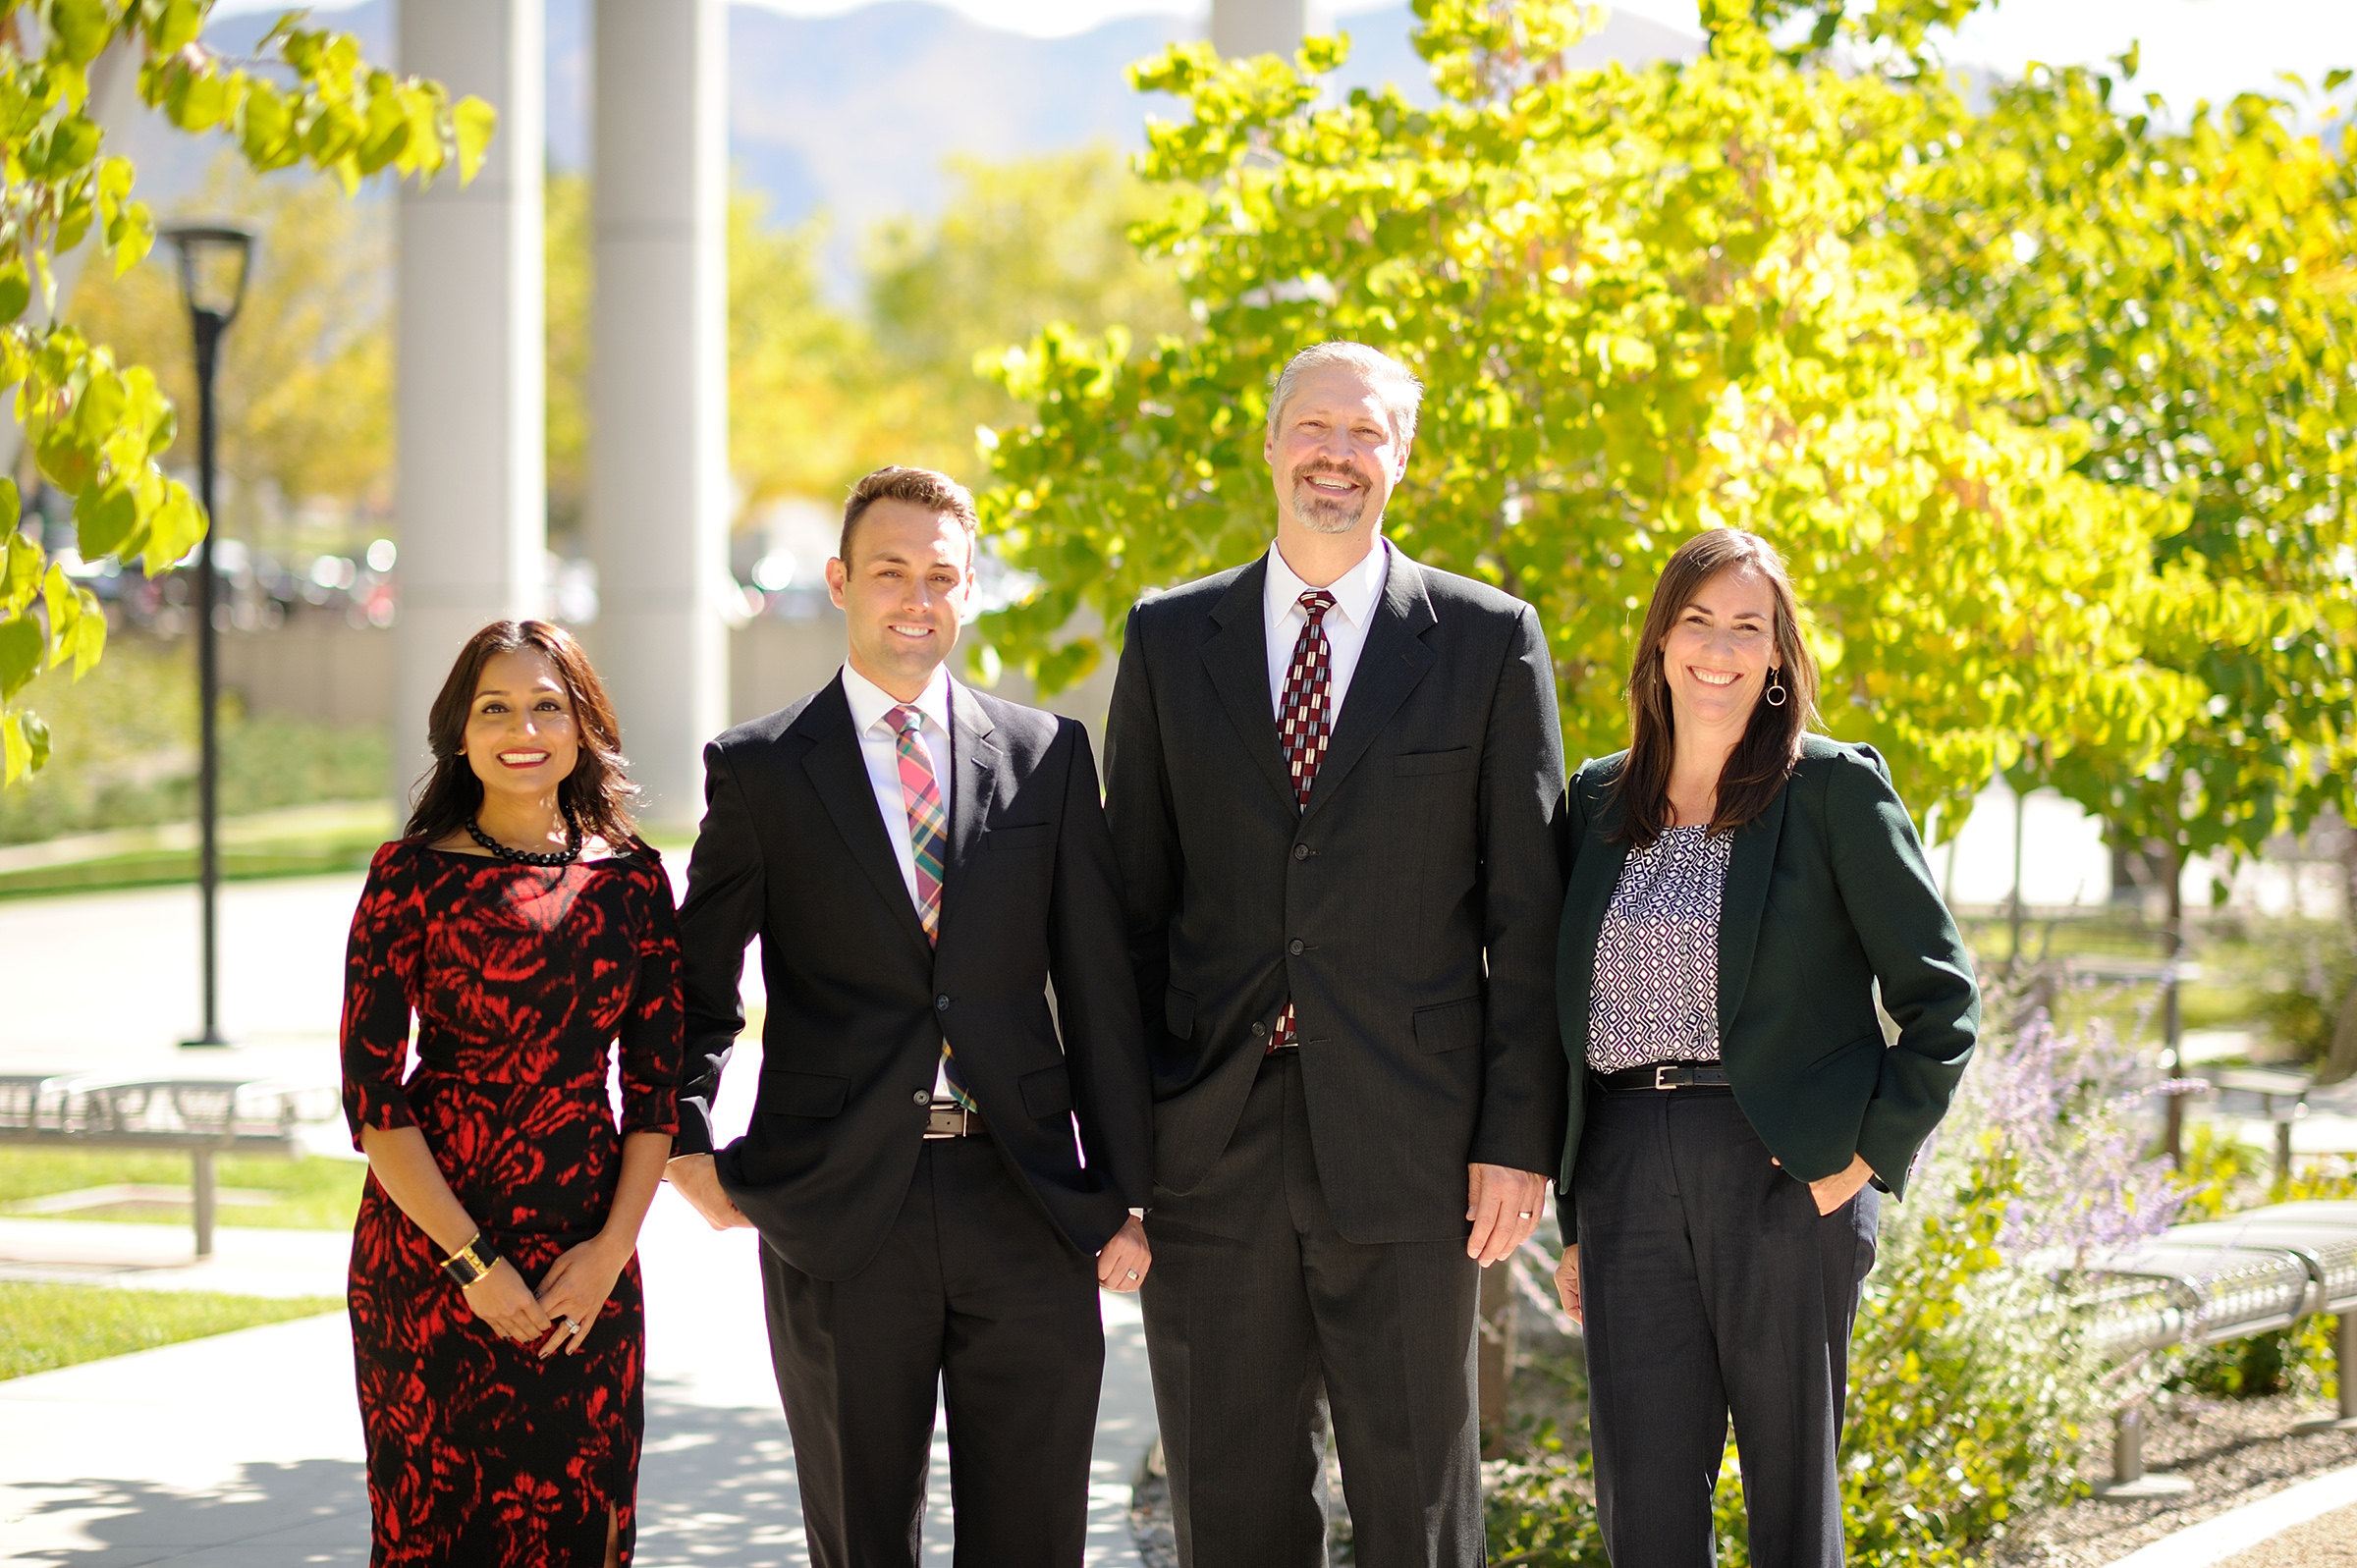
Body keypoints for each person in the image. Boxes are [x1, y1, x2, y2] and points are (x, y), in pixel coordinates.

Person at [1104, 341, 1570, 1567]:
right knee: (1232, 1499)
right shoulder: (1168, 638)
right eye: (1315, 428)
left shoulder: (1486, 640)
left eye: (1366, 434)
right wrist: (1123, 1150)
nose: (1336, 456)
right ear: (1268, 443)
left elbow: (1530, 919)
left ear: (1402, 457)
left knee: (1418, 1502)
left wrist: (1517, 1139)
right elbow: (1130, 919)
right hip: (1210, 1148)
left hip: (1415, 1149)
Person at [662, 464, 1155, 1566]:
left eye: (941, 574)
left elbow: (1099, 992)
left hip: (1024, 1199)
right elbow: (695, 981)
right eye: (890, 571)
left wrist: (1126, 1196)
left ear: (970, 589)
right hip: (839, 1210)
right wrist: (685, 1147)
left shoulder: (1047, 756)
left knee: (1032, 1538)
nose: (915, 598)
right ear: (840, 581)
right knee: (861, 1537)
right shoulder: (761, 769)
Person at [1550, 528, 1980, 1568]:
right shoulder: (1594, 802)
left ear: (1780, 653)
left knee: (1790, 1500)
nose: (1720, 647)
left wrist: (1865, 1161)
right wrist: (1573, 1211)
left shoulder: (1832, 790)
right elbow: (1551, 1017)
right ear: (1659, 641)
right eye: (1697, 620)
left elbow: (1941, 1001)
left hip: (1784, 1170)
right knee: (1643, 1504)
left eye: (1749, 627)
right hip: (1620, 1168)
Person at [341, 620, 683, 1567]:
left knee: (582, 1527)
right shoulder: (405, 878)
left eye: (547, 704)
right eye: (495, 707)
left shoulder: (638, 882)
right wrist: (473, 1263)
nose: (521, 726)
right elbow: (373, 1098)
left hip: (587, 1261)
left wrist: (612, 1251)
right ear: (460, 730)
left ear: (583, 728)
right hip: (429, 1260)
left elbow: (656, 1092)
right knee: (432, 1535)